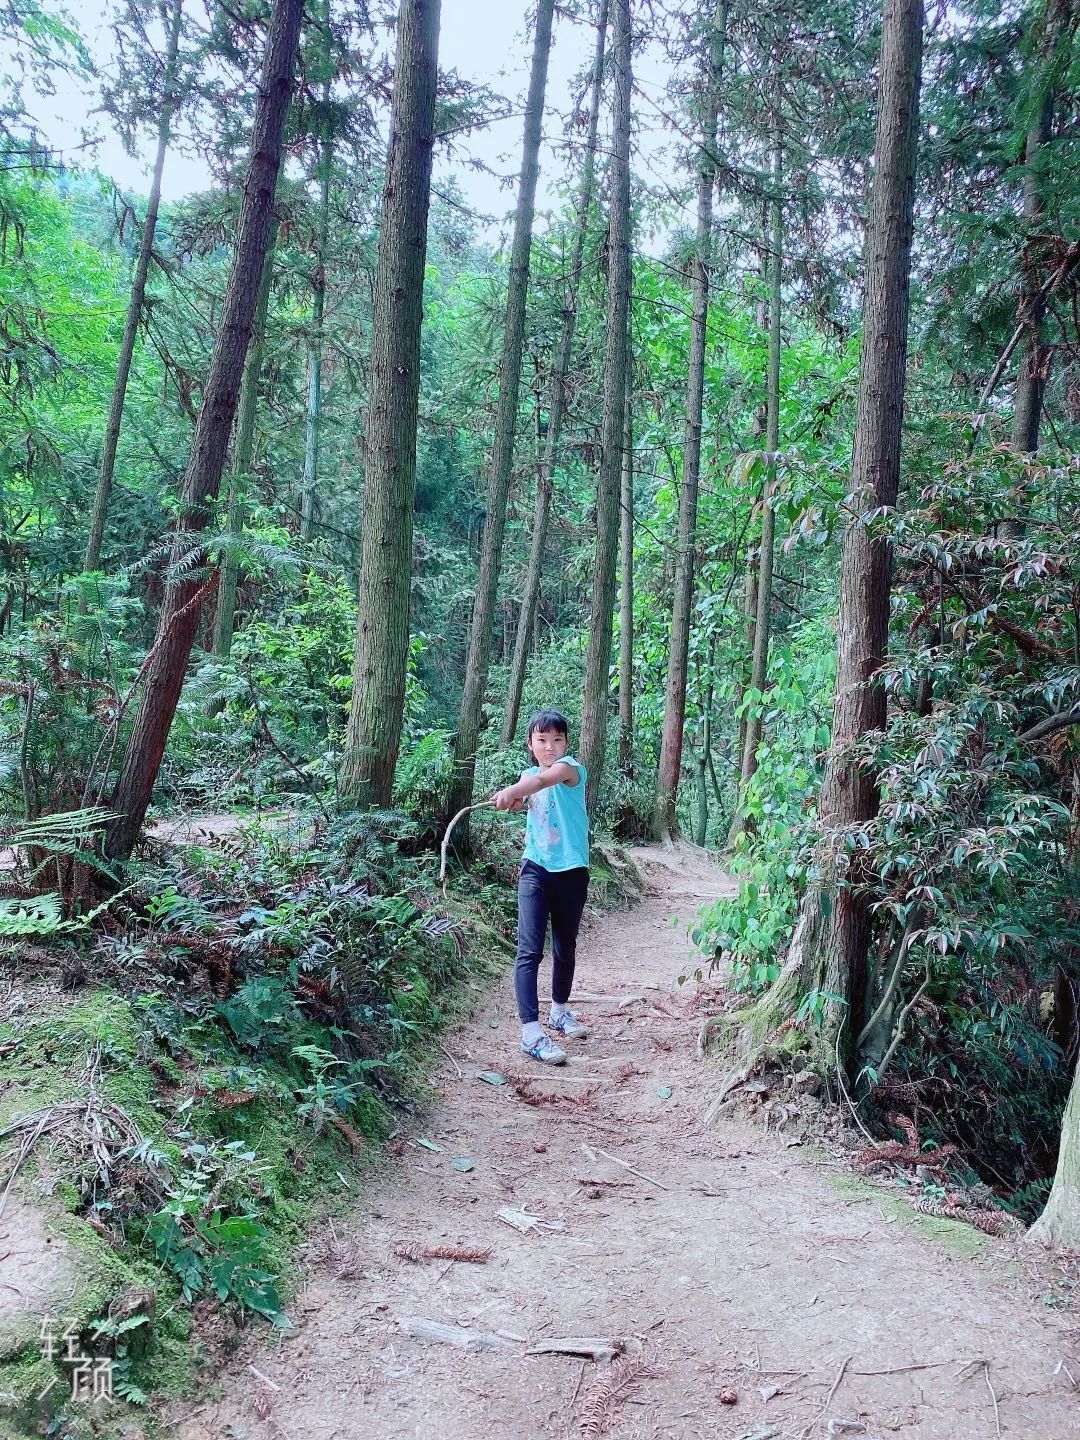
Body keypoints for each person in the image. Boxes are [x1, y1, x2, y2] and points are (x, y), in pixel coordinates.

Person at [492, 709, 590, 1065]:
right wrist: (512, 799)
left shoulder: (570, 770)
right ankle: (531, 1031)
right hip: (535, 869)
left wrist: (514, 790)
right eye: (542, 740)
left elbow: (537, 785)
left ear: (566, 743)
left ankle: (559, 1011)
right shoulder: (529, 775)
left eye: (557, 740)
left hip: (572, 870)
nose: (550, 747)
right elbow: (528, 797)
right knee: (529, 949)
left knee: (565, 947)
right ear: (531, 745)